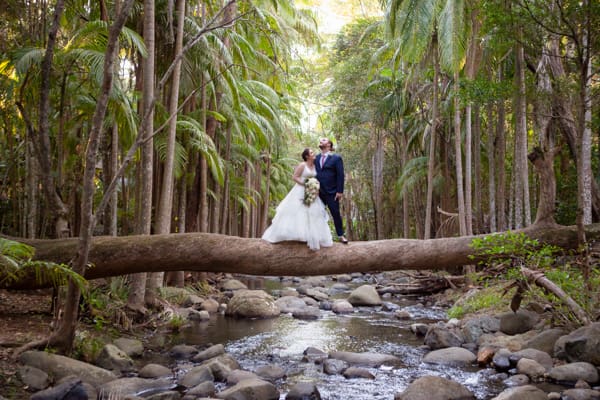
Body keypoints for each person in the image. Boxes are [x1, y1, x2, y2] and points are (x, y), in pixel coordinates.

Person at [262, 148, 333, 250]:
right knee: (299, 211)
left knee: (313, 212)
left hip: (312, 191)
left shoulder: (315, 165)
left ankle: (312, 236)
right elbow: (295, 177)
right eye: (312, 153)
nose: (314, 154)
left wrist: (315, 186)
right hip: (300, 190)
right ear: (307, 156)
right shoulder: (302, 165)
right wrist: (306, 184)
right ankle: (297, 236)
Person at [316, 137, 348, 244]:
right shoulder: (316, 158)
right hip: (318, 193)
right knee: (317, 214)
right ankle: (318, 236)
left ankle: (340, 235)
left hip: (332, 192)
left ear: (329, 144)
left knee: (335, 213)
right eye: (320, 140)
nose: (321, 141)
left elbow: (340, 175)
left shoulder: (336, 158)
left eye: (324, 140)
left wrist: (339, 191)